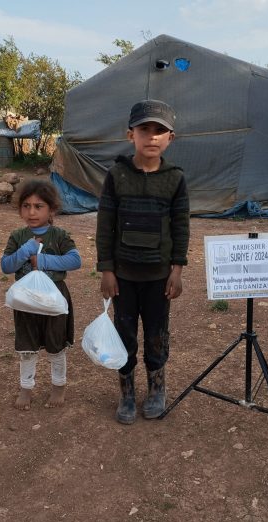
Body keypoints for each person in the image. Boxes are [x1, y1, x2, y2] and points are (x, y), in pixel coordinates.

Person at [96, 99, 190, 424]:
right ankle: (126, 394)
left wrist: (177, 270)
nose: (152, 137)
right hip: (123, 276)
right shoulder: (116, 175)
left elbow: (180, 226)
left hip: (158, 276)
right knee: (124, 336)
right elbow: (105, 225)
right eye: (144, 130)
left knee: (156, 334)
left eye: (159, 131)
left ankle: (156, 389)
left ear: (170, 138)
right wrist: (107, 270)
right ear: (130, 134)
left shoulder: (175, 179)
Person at [1, 179, 81, 410]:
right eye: (26, 206)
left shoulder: (59, 235)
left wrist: (42, 260)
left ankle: (59, 386)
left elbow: (75, 260)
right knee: (27, 347)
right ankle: (26, 387)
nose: (32, 211)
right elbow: (6, 266)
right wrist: (25, 250)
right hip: (25, 301)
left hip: (54, 300)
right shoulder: (18, 236)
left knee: (56, 346)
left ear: (52, 209)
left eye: (39, 206)